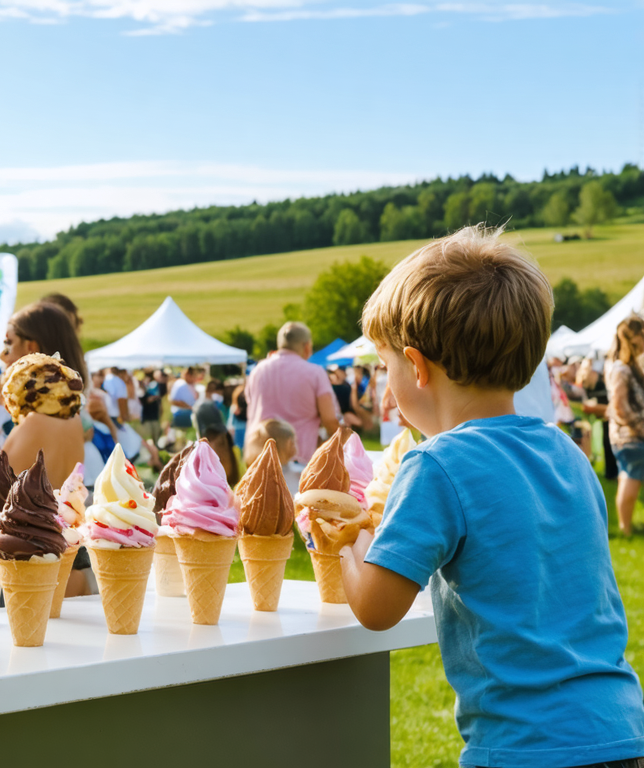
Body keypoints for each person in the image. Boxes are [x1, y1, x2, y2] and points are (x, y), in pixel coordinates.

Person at [340, 226, 644, 767]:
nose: (386, 389)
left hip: (525, 747)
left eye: (386, 369)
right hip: (621, 730)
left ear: (416, 365)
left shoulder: (435, 464)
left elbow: (376, 608)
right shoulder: (567, 452)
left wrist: (348, 542)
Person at [0, 302, 87, 489]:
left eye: (8, 343)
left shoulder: (36, 423)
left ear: (31, 349)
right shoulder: (72, 417)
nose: (2, 356)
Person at [245, 322, 340, 464]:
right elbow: (329, 419)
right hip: (298, 458)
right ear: (307, 346)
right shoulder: (315, 373)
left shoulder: (257, 371)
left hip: (259, 457)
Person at [606, 315, 644, 536]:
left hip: (630, 436)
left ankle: (626, 528)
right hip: (630, 437)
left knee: (628, 477)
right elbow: (619, 406)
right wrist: (640, 427)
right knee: (631, 477)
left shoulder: (629, 366)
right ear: (635, 338)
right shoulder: (622, 368)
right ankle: (626, 530)